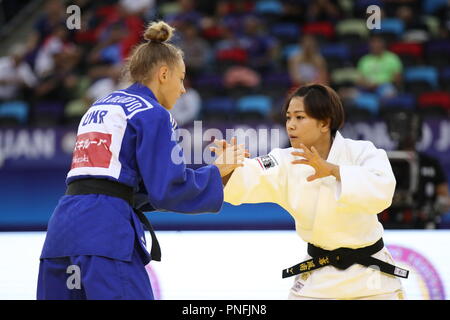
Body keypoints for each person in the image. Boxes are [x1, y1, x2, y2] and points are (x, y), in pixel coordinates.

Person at [37, 21, 247, 300]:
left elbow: (120, 185)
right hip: (106, 232)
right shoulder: (153, 113)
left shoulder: (100, 105)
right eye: (181, 78)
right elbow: (168, 189)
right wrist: (219, 169)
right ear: (163, 74)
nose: (183, 89)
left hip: (61, 231)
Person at [216, 84, 408, 300]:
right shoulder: (284, 160)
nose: (291, 125)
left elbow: (382, 191)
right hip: (319, 278)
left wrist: (334, 171)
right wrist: (227, 169)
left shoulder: (362, 152)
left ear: (325, 122)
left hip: (372, 278)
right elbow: (249, 176)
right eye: (288, 118)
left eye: (299, 117)